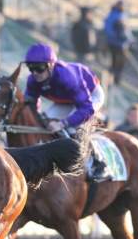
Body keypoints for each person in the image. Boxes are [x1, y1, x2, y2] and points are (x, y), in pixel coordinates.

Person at [22, 42, 110, 182]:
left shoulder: (67, 77)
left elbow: (86, 108)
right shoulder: (32, 80)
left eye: (39, 68)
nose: (35, 73)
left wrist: (63, 123)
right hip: (65, 100)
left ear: (50, 65)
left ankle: (99, 161)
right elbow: (30, 105)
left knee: (74, 127)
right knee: (44, 124)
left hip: (91, 95)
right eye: (31, 68)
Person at [104, 0, 131, 85]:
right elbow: (110, 30)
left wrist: (129, 39)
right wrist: (118, 37)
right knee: (117, 63)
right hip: (117, 43)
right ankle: (114, 81)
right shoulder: (115, 15)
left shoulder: (119, 15)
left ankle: (115, 80)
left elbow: (126, 30)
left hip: (119, 43)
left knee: (118, 63)